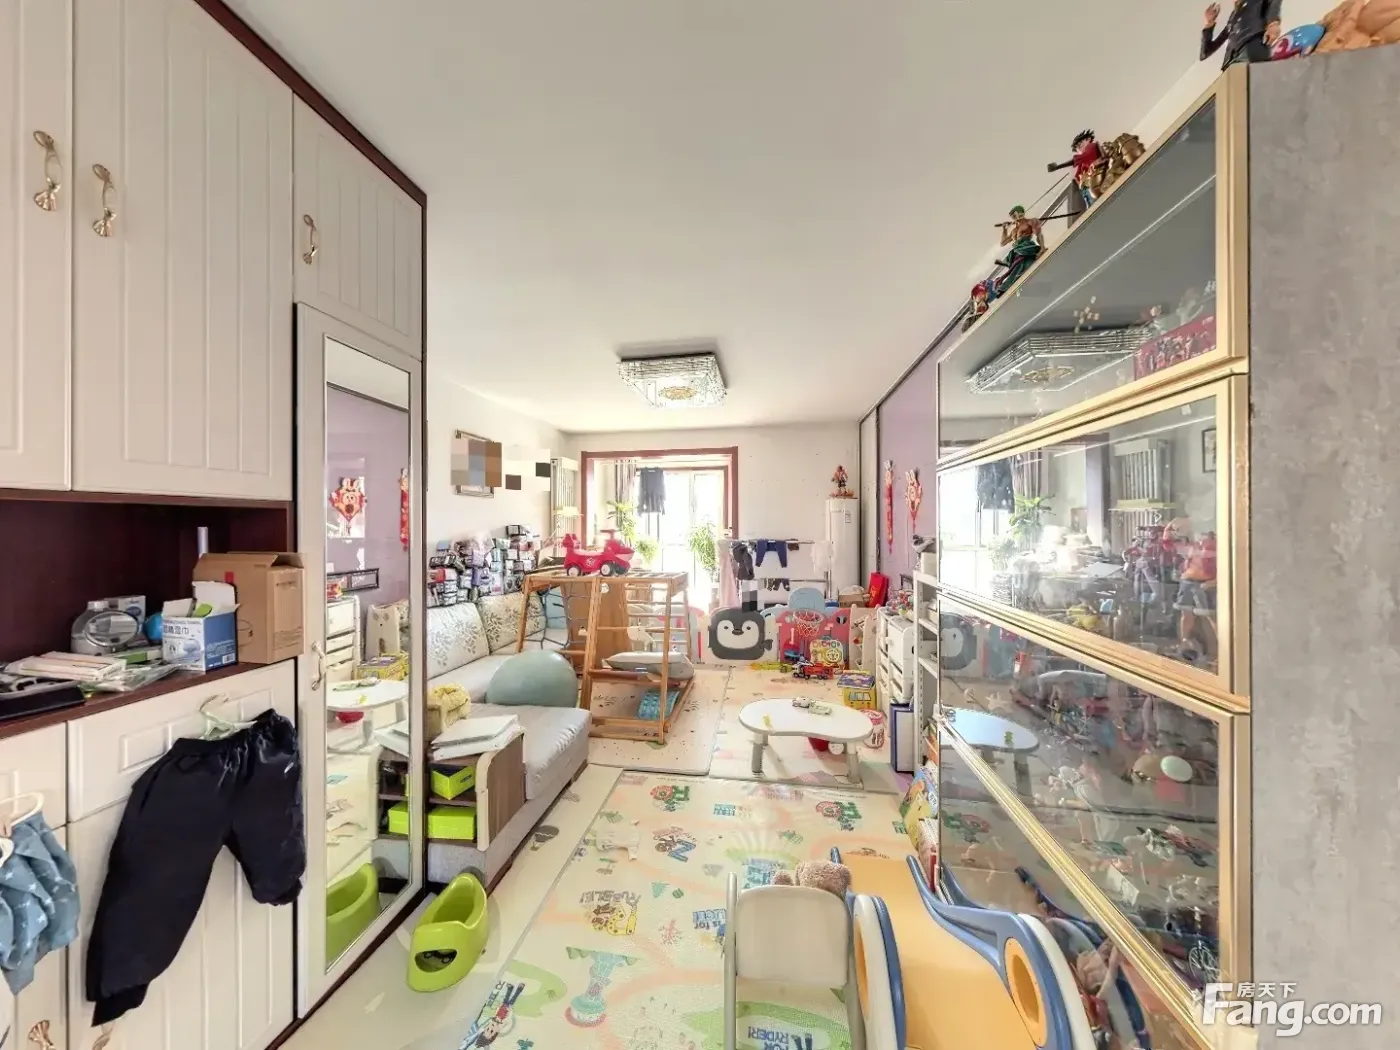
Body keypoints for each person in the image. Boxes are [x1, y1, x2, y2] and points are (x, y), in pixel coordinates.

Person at [1201, 0, 1283, 69]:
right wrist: (1210, 23)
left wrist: (1273, 23)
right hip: (1230, 65)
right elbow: (1205, 53)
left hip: (1250, 52)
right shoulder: (1232, 19)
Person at [994, 206, 1043, 295]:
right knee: (1015, 267)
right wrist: (1004, 229)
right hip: (1016, 252)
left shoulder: (1030, 222)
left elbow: (1039, 234)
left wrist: (1042, 248)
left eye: (1015, 215)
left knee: (1018, 267)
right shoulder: (1014, 230)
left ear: (1021, 213)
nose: (1014, 218)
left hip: (1026, 248)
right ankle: (1006, 286)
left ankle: (1004, 287)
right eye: (1012, 216)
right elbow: (1003, 243)